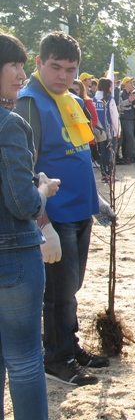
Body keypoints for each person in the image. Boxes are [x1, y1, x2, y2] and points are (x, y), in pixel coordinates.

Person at [16, 31, 116, 387]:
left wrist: (96, 201)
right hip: (54, 216)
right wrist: (41, 225)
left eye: (70, 69)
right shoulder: (29, 104)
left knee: (71, 287)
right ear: (39, 63)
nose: (62, 75)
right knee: (57, 293)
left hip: (79, 211)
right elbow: (24, 170)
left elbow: (78, 155)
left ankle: (69, 346)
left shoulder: (72, 100)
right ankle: (56, 359)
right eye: (55, 67)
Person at [0, 32, 61, 420]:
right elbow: (22, 203)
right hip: (13, 256)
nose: (21, 73)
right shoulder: (10, 125)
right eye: (14, 64)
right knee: (24, 358)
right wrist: (43, 190)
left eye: (23, 64)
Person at [93, 78, 120, 182]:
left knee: (103, 152)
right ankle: (110, 175)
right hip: (109, 131)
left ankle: (104, 174)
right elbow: (114, 117)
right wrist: (118, 131)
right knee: (111, 153)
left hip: (99, 131)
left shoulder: (94, 99)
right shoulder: (110, 99)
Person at [118, 76, 135, 164]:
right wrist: (129, 101)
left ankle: (129, 156)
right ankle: (127, 157)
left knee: (131, 138)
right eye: (130, 82)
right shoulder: (121, 93)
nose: (132, 84)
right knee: (129, 138)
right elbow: (120, 105)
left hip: (131, 117)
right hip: (124, 118)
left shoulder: (131, 93)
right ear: (125, 83)